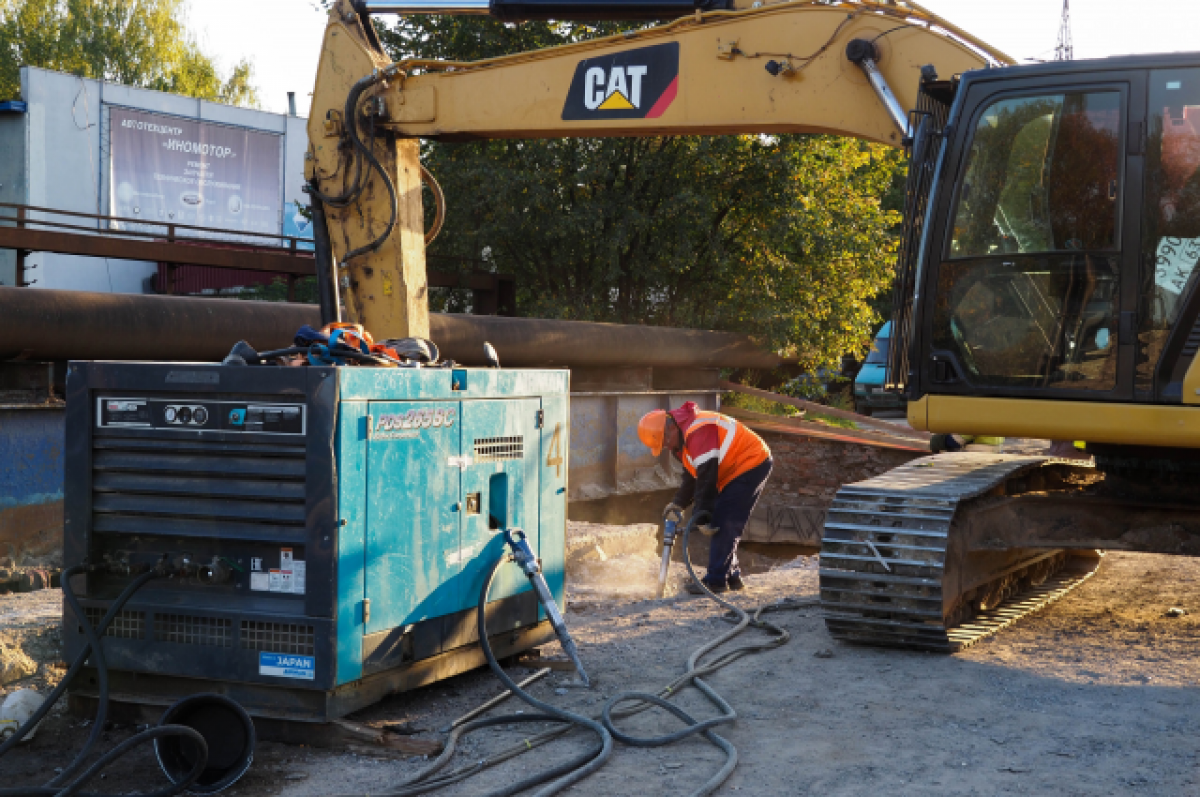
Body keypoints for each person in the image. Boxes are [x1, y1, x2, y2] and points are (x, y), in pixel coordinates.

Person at [637, 401, 773, 594]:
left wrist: (702, 514)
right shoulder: (683, 440)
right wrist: (679, 503)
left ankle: (716, 581)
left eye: (664, 441)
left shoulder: (698, 430)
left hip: (750, 462)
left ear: (671, 428)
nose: (666, 447)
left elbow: (707, 477)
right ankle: (731, 576)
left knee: (725, 520)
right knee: (723, 519)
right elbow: (693, 477)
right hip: (733, 470)